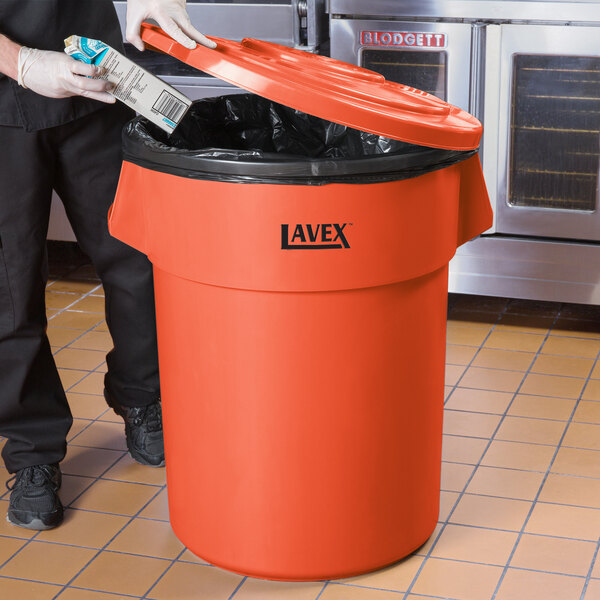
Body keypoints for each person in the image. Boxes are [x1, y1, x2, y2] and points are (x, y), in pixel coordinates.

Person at [0, 0, 214, 530]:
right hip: (2, 96)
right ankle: (33, 452)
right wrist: (21, 61)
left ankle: (143, 398)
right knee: (9, 286)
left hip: (94, 78)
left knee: (137, 257)